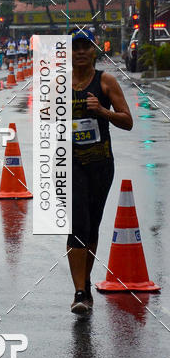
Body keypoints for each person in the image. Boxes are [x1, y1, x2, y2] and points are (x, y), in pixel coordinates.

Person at [68, 29, 133, 315]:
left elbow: (127, 121)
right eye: (75, 48)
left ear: (94, 50)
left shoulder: (104, 81)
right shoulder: (59, 84)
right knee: (77, 224)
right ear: (68, 53)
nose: (80, 52)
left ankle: (86, 282)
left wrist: (103, 112)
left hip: (100, 164)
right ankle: (79, 291)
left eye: (85, 47)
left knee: (92, 226)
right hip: (69, 165)